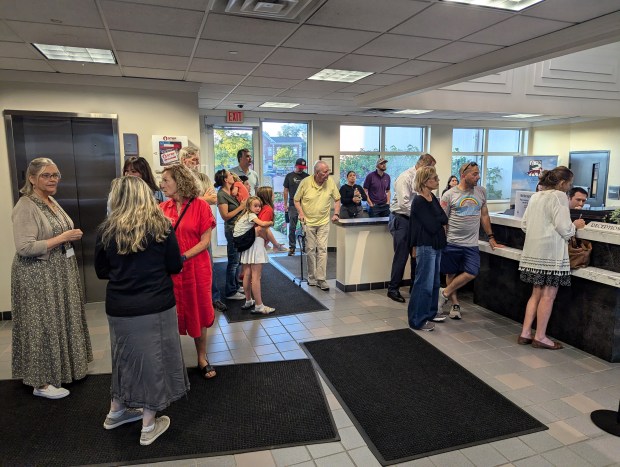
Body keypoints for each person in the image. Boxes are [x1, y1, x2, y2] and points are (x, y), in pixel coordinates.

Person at [95, 176, 188, 446]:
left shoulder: (106, 230)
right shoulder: (161, 227)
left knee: (123, 359)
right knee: (154, 364)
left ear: (116, 199)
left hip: (119, 307)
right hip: (154, 305)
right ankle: (148, 425)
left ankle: (116, 411)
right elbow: (175, 266)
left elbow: (102, 271)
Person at [11, 157, 92, 399]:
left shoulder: (50, 201)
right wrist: (63, 237)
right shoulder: (26, 205)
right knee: (42, 325)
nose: (53, 179)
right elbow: (24, 247)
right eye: (46, 175)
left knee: (59, 320)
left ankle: (64, 370)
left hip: (57, 272)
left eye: (56, 175)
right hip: (37, 276)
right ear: (32, 179)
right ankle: (41, 383)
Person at [159, 164, 217, 379]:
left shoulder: (201, 206)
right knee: (169, 315)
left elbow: (205, 241)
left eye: (166, 180)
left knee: (199, 311)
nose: (162, 185)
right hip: (171, 272)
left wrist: (182, 256)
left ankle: (202, 358)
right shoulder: (161, 208)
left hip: (196, 269)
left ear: (180, 181)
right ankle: (173, 362)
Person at [518, 167, 586, 350]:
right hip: (551, 254)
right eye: (569, 184)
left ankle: (525, 333)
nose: (569, 188)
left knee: (536, 293)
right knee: (548, 295)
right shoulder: (559, 196)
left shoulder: (536, 196)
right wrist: (576, 225)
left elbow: (524, 225)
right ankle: (540, 337)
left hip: (532, 253)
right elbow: (564, 228)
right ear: (563, 183)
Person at [439, 161, 502, 319]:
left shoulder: (481, 192)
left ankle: (444, 293)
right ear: (463, 175)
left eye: (478, 173)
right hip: (452, 242)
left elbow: (485, 215)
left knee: (472, 271)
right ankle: (455, 304)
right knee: (451, 273)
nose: (478, 177)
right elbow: (442, 220)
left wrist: (491, 237)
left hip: (471, 243)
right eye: (474, 174)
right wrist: (442, 241)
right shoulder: (449, 195)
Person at [179, 146, 227, 312]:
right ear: (183, 159)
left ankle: (213, 298)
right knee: (187, 264)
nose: (197, 163)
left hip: (203, 225)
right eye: (194, 159)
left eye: (198, 159)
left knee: (208, 263)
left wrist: (198, 199)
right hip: (184, 228)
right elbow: (181, 201)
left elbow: (213, 198)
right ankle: (192, 300)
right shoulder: (177, 178)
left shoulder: (203, 177)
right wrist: (202, 198)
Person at [387, 153, 436, 303]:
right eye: (431, 168)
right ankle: (393, 289)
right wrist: (421, 216)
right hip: (402, 219)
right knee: (401, 256)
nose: (433, 173)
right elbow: (404, 204)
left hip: (415, 221)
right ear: (423, 165)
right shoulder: (406, 177)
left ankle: (415, 287)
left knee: (417, 256)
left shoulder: (422, 180)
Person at [408, 167, 448, 331]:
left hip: (437, 244)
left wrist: (438, 219)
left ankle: (430, 313)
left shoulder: (433, 197)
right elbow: (432, 225)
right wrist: (438, 219)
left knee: (435, 282)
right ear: (425, 181)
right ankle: (417, 319)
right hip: (426, 246)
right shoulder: (419, 201)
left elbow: (444, 218)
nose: (438, 180)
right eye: (435, 178)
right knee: (423, 283)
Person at [294, 160, 341, 291]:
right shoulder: (305, 183)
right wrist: (301, 213)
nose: (328, 174)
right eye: (325, 172)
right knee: (310, 249)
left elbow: (337, 199)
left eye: (328, 171)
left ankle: (321, 279)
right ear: (317, 173)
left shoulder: (330, 182)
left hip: (324, 222)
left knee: (322, 249)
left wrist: (336, 213)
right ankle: (311, 277)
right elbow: (296, 200)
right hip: (308, 222)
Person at [234, 196, 276, 314]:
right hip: (252, 243)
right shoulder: (251, 215)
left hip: (245, 245)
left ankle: (248, 300)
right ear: (249, 206)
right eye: (255, 206)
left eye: (259, 206)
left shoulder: (244, 215)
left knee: (247, 274)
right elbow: (262, 225)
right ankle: (259, 306)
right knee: (256, 277)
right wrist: (271, 222)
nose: (258, 208)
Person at [215, 169, 247, 300]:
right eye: (229, 175)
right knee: (233, 262)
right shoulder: (221, 194)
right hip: (232, 230)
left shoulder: (232, 191)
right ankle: (230, 291)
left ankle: (234, 285)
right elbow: (225, 216)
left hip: (239, 229)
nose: (232, 176)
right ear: (225, 180)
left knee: (237, 260)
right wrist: (241, 207)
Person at [283, 158, 310, 255]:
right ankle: (292, 247)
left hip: (305, 205)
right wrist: (285, 204)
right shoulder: (289, 176)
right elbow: (286, 190)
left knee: (305, 227)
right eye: (300, 167)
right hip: (293, 204)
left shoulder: (307, 177)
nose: (301, 169)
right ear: (296, 165)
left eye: (303, 167)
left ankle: (305, 247)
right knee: (292, 227)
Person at [256, 186, 288, 252]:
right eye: (273, 194)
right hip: (257, 240)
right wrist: (266, 242)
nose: (274, 196)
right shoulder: (268, 209)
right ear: (268, 196)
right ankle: (277, 245)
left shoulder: (260, 207)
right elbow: (261, 229)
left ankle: (276, 245)